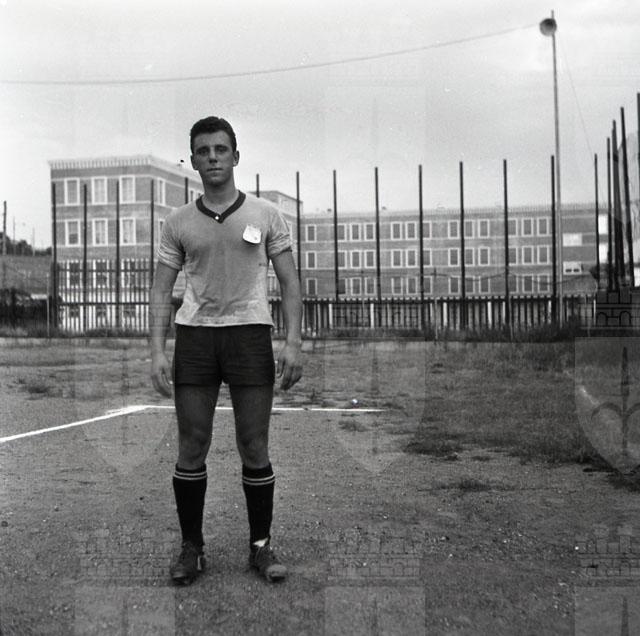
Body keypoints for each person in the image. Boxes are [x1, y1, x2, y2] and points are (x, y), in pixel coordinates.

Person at [149, 115, 303, 585]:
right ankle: (192, 549)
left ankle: (260, 547)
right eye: (203, 151)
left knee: (253, 444)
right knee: (192, 444)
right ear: (193, 161)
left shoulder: (265, 214)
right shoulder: (177, 222)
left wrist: (293, 343)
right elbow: (161, 291)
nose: (212, 157)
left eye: (220, 149)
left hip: (249, 335)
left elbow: (290, 283)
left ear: (236, 156)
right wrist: (157, 351)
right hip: (196, 337)